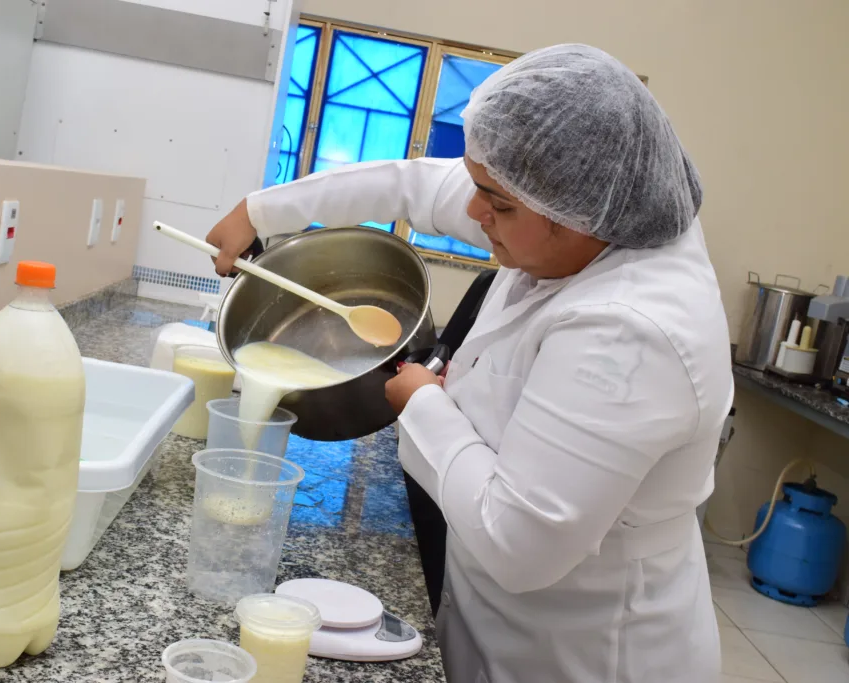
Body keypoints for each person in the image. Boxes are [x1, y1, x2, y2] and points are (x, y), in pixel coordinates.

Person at [207, 44, 732, 683]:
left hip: (584, 652)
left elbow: (521, 544)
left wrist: (423, 403)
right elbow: (415, 184)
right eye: (482, 189)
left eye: (497, 205)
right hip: (496, 618)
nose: (475, 213)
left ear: (575, 210)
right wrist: (260, 212)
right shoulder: (579, 212)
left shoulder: (634, 331)